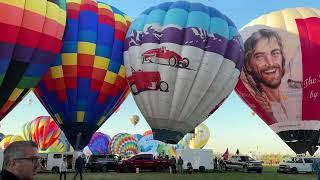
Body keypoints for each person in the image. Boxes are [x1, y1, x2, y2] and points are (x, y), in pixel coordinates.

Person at [242, 28, 302, 123]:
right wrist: (268, 113)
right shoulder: (262, 107)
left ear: (282, 57)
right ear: (248, 65)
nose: (270, 63)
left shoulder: (300, 93)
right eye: (260, 56)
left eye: (275, 53)